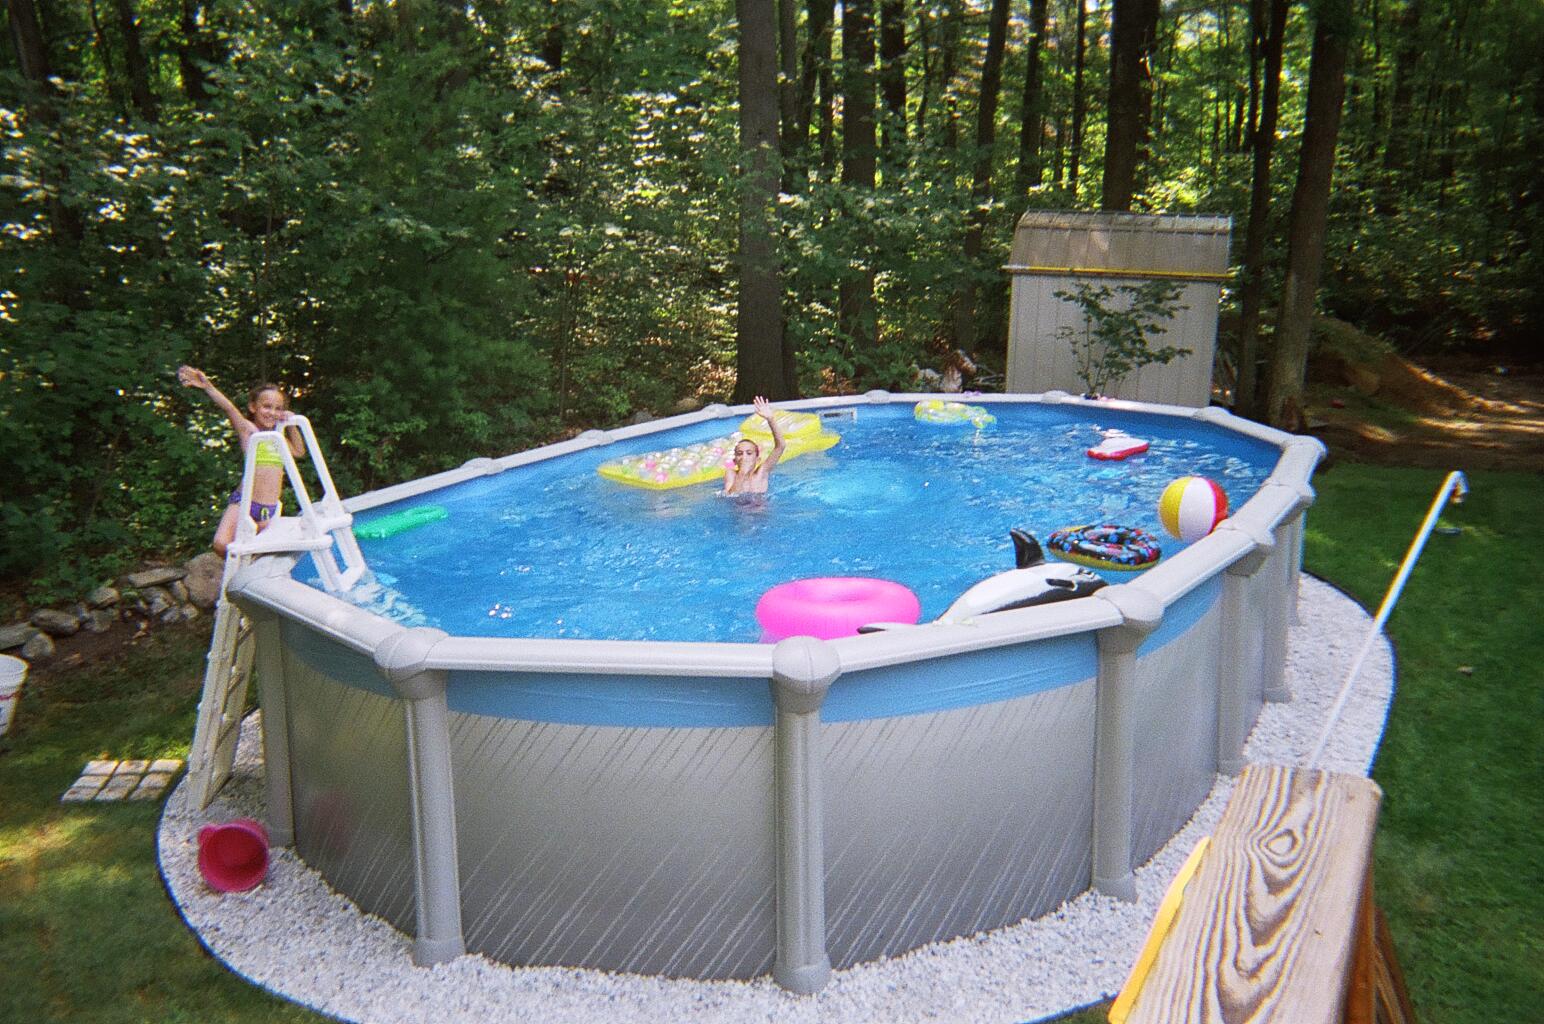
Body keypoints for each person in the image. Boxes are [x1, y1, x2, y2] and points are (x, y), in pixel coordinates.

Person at [179, 365, 305, 556]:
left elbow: (299, 451)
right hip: (244, 500)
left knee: (261, 552)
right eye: (266, 406)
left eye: (278, 408)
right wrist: (207, 386)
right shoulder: (249, 430)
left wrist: (291, 424)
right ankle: (234, 569)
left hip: (267, 508)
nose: (272, 412)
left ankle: (246, 573)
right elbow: (229, 407)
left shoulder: (279, 437)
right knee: (221, 543)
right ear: (253, 407)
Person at [722, 396, 786, 496]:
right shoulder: (731, 474)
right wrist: (742, 473)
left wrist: (770, 419)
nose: (744, 457)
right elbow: (730, 496)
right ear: (734, 461)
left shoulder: (761, 473)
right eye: (739, 453)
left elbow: (781, 446)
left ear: (757, 459)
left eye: (749, 453)